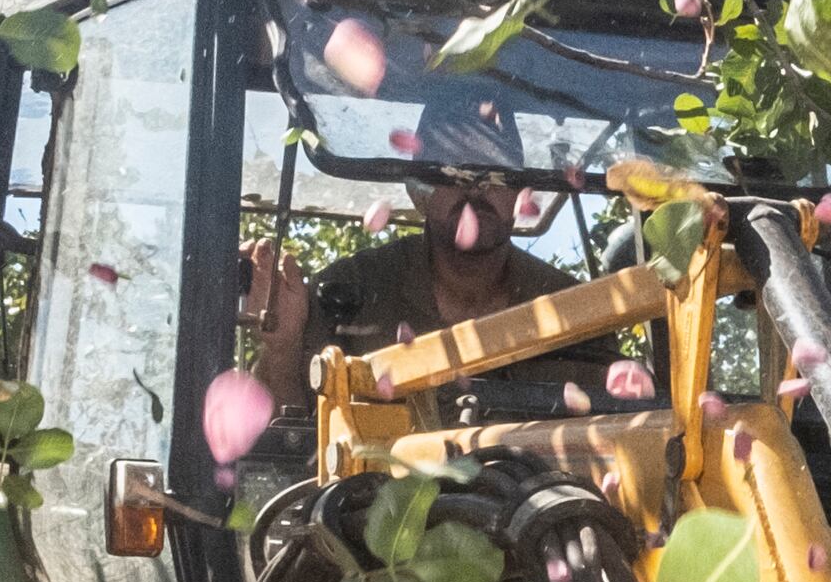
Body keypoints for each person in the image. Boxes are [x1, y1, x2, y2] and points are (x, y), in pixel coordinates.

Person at [238, 170, 594, 430]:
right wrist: (282, 348)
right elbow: (286, 441)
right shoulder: (348, 290)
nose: (473, 187)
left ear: (522, 190)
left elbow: (618, 433)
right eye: (450, 170)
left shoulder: (580, 308)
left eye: (496, 172)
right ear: (417, 193)